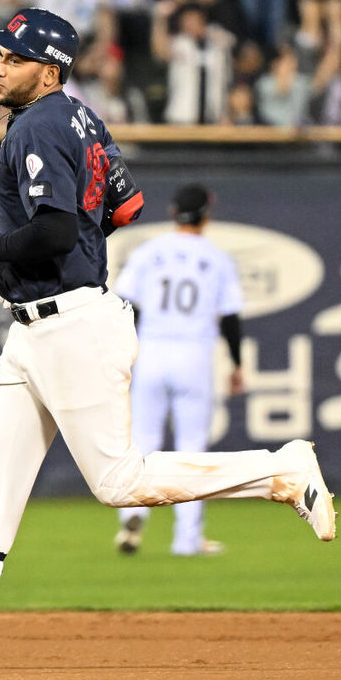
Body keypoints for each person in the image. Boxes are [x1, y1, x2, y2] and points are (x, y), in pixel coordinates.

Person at [0, 6, 336, 674]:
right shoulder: (80, 116)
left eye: (14, 56)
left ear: (48, 70)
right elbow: (124, 206)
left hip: (71, 324)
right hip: (39, 327)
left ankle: (282, 469)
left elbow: (58, 231)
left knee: (119, 481)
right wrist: (67, 245)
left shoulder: (37, 123)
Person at [112, 184, 245, 557]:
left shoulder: (149, 251)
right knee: (191, 451)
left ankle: (131, 519)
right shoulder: (216, 258)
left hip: (151, 350)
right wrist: (237, 364)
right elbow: (231, 317)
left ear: (173, 212)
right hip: (193, 354)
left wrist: (127, 352)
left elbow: (127, 306)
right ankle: (187, 539)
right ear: (207, 213)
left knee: (143, 443)